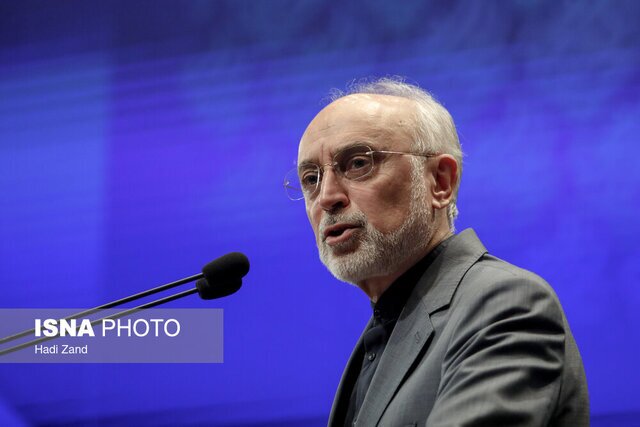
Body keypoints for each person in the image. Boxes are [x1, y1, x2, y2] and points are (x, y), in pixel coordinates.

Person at [284, 77, 589, 426]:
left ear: (440, 182)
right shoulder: (386, 329)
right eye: (311, 179)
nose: (327, 197)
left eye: (357, 163)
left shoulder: (505, 304)